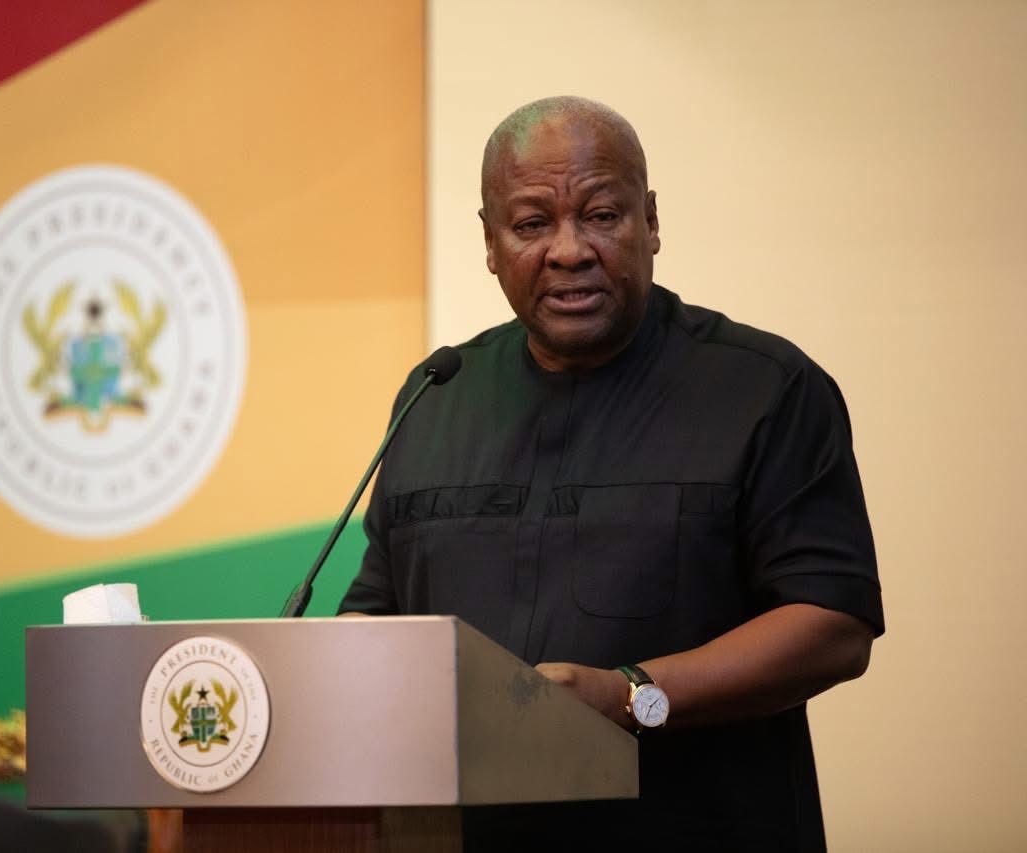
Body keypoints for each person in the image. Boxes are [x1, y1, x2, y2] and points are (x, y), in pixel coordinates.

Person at [338, 96, 884, 851]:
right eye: (532, 224)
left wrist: (629, 693)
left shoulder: (766, 389)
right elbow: (377, 612)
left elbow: (834, 625)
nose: (569, 250)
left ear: (650, 221)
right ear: (491, 243)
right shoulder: (437, 396)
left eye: (601, 215)